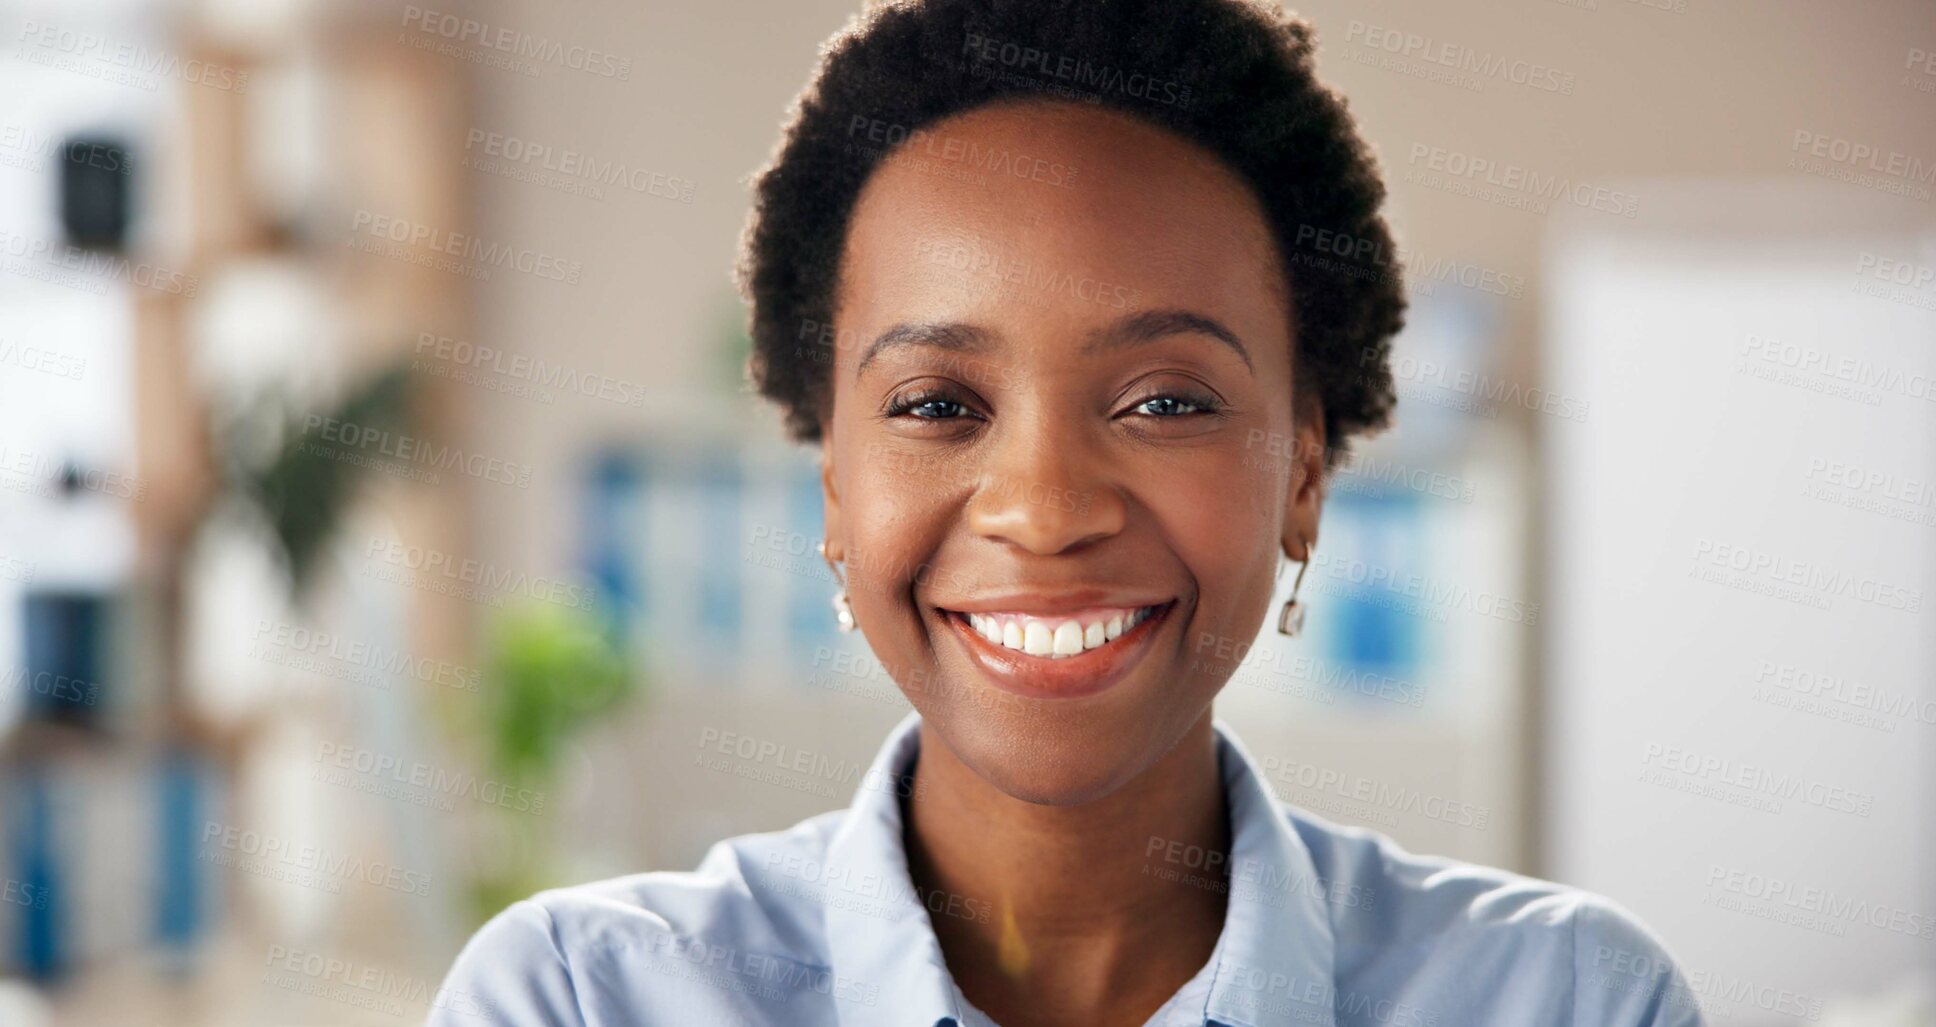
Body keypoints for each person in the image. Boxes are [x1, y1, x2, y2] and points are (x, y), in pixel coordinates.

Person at [430, 0, 1701, 1023]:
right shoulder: (583, 996)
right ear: (833, 482)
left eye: (1162, 401)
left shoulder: (1568, 999)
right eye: (936, 404)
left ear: (1303, 476)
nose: (1043, 512)